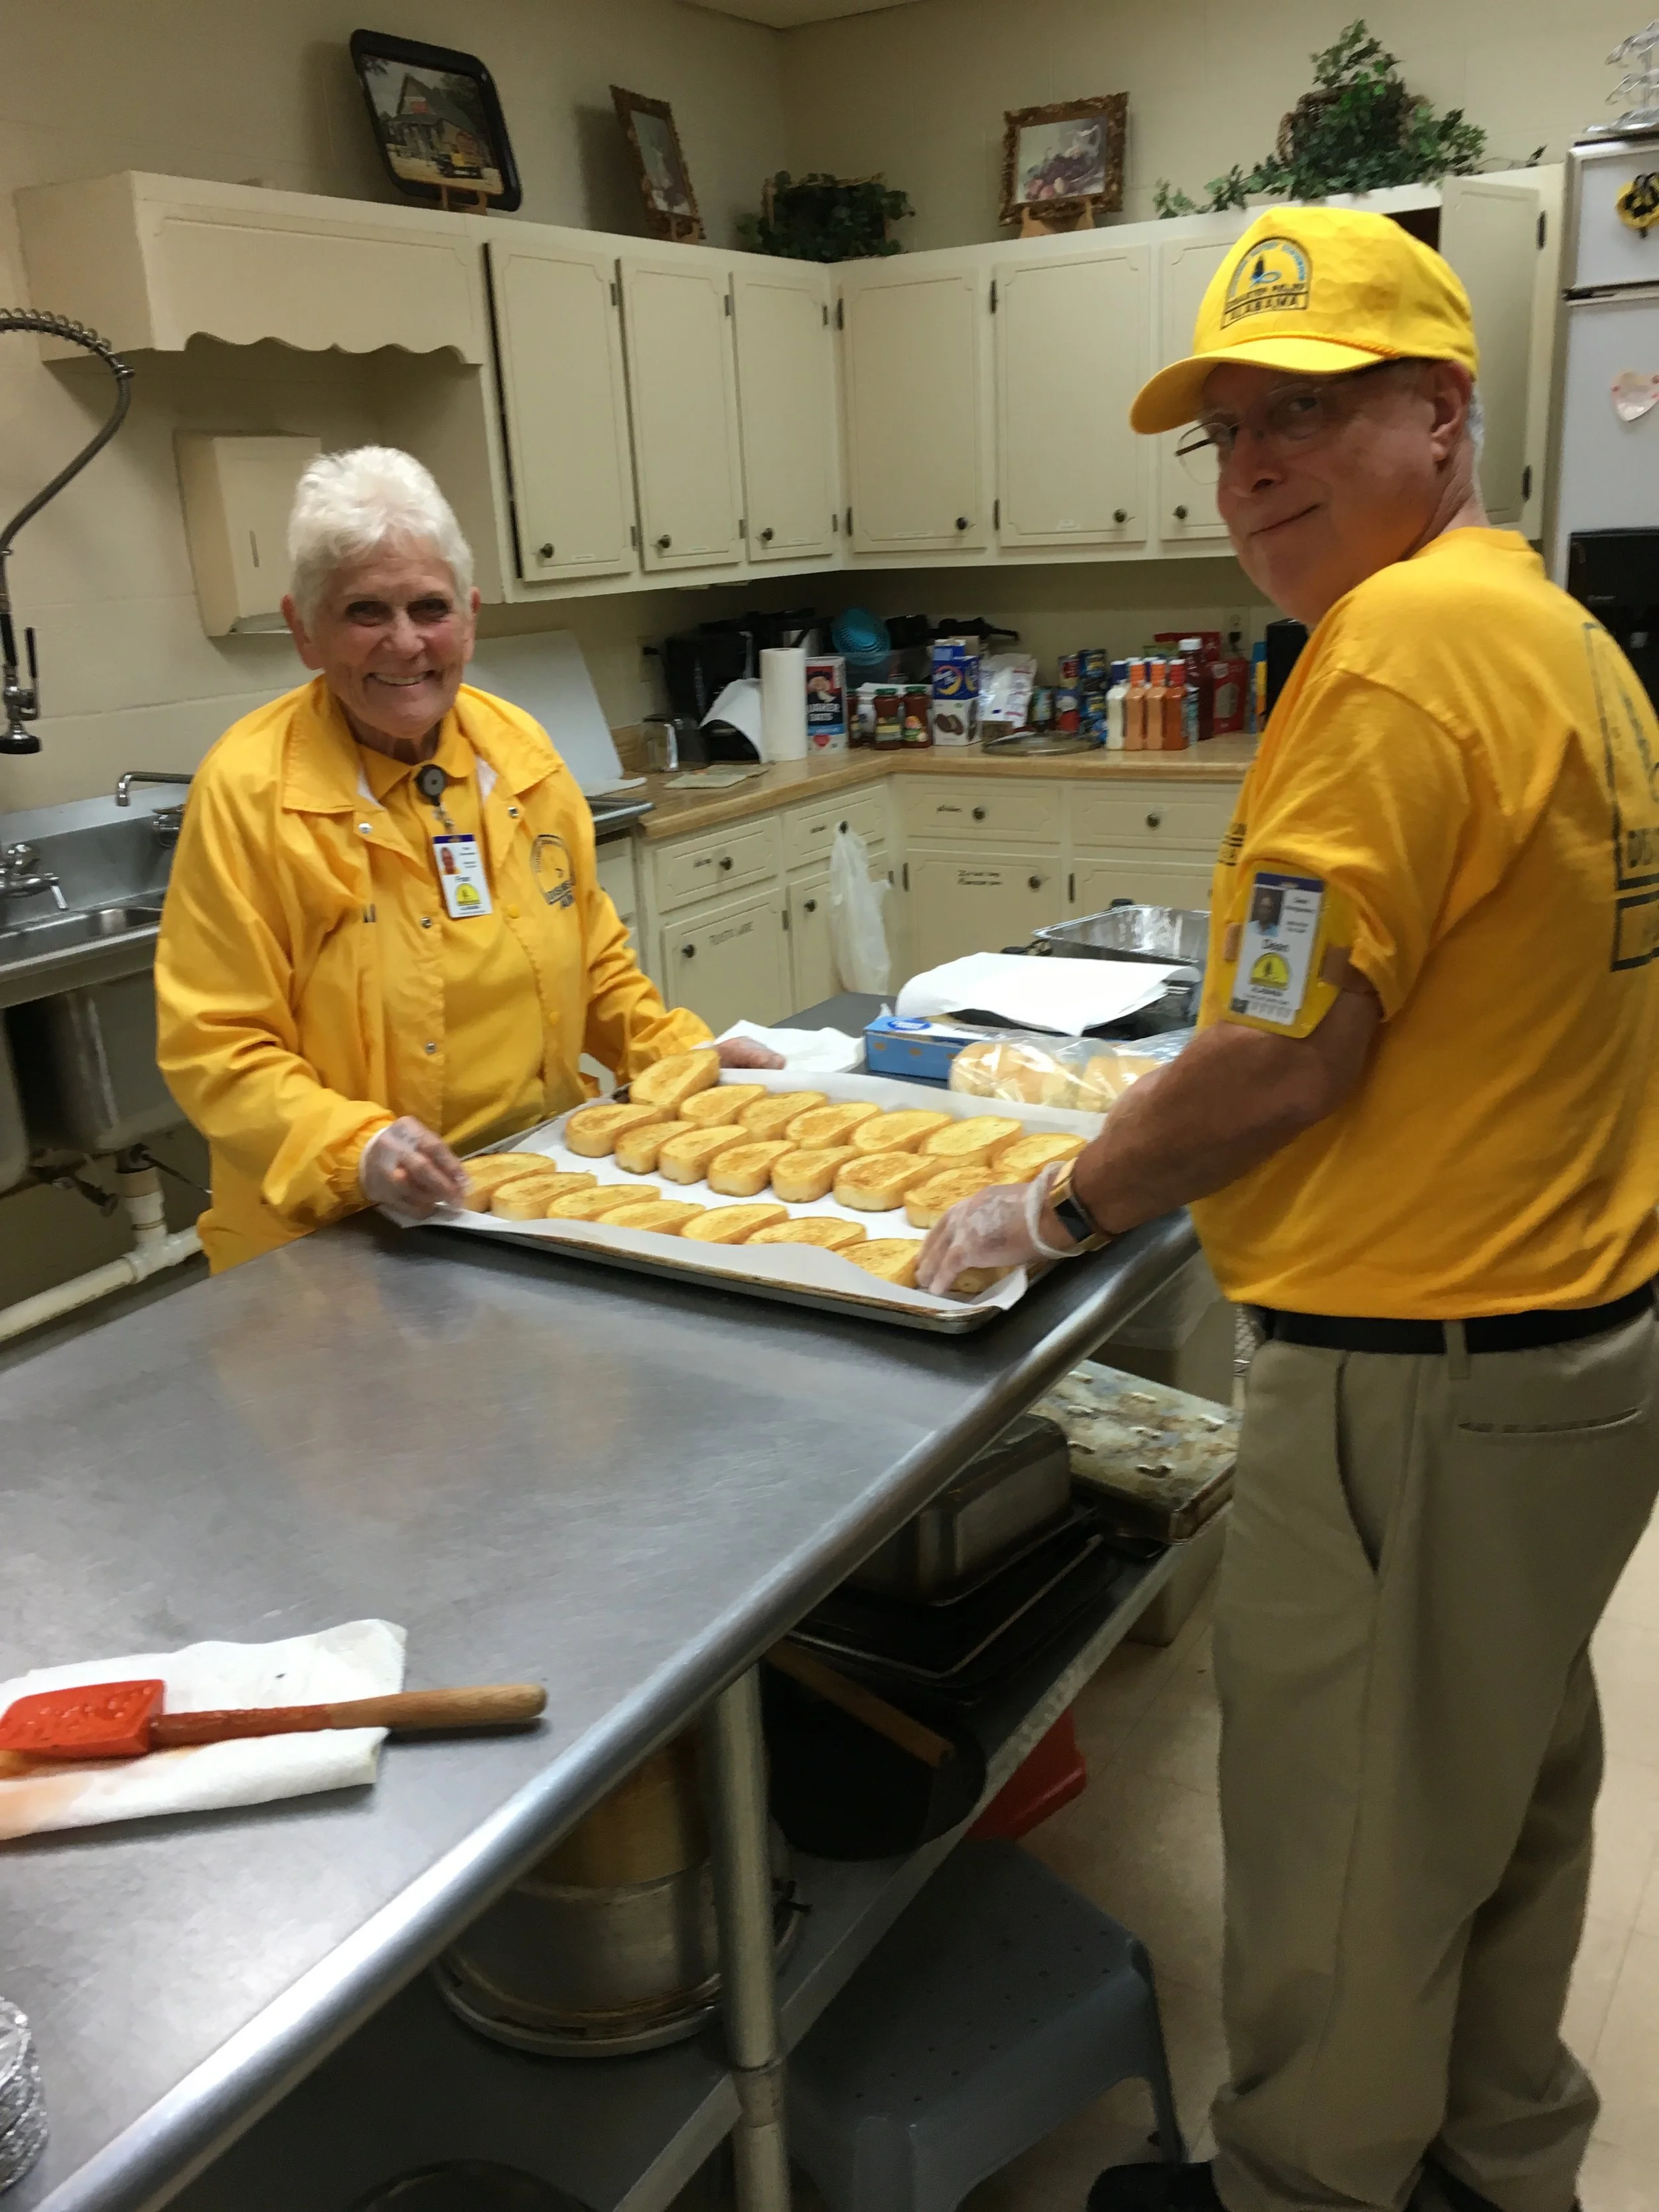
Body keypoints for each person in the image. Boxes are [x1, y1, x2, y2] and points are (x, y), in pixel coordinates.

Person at [919, 206, 1659, 2212]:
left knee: (1341, 1849)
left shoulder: (1395, 652)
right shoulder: (1557, 637)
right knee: (1496, 1803)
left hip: (1410, 1382)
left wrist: (1050, 1206)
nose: (1250, 464)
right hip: (1567, 1353)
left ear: (1440, 410)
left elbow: (1274, 1055)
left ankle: (1306, 2190)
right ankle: (1499, 2164)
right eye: (1225, 426)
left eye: (1305, 411)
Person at [156, 446, 778, 1272]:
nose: (405, 643)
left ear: (471, 618)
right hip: (335, 1235)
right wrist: (359, 1150)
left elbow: (595, 965)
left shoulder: (517, 752)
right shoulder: (249, 792)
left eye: (430, 607)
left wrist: (675, 1056)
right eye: (365, 612)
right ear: (305, 630)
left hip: (536, 1188)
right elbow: (217, 1047)